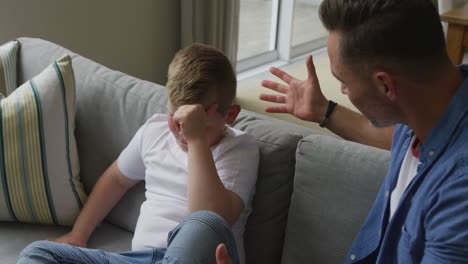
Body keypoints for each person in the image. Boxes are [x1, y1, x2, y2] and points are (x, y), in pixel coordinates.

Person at [217, 0, 468, 263]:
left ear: (385, 85)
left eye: (343, 82)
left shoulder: (458, 195)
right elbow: (396, 138)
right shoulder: (430, 106)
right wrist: (324, 110)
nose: (343, 91)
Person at [17, 43, 259, 264]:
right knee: (38, 253)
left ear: (230, 115)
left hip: (199, 257)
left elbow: (209, 215)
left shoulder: (240, 149)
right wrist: (78, 233)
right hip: (137, 260)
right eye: (175, 119)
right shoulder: (154, 132)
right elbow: (116, 179)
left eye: (197, 124)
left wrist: (197, 142)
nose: (182, 132)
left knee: (205, 223)